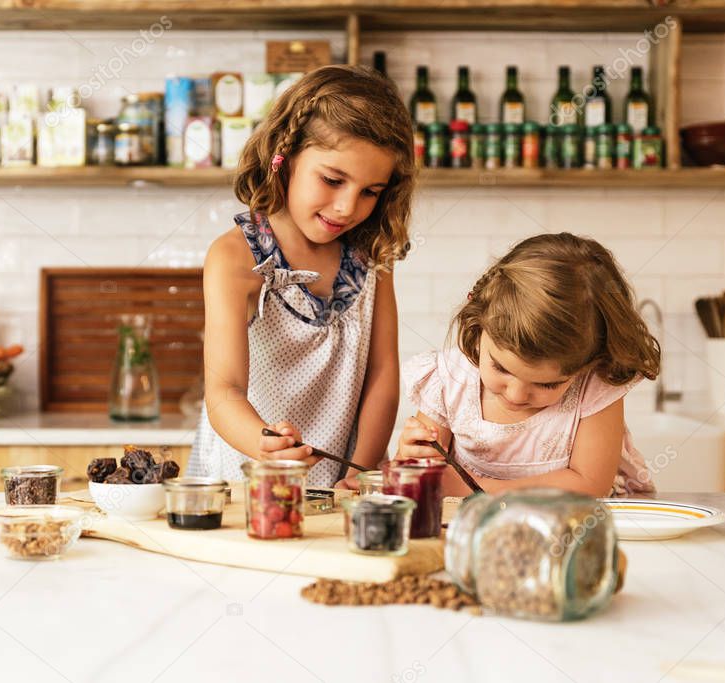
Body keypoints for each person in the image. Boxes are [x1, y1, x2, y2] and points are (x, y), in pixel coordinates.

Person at [188, 64, 416, 487]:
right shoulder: (234, 259)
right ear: (284, 157)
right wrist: (264, 444)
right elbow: (224, 393)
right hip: (252, 478)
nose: (348, 207)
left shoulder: (371, 257)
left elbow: (383, 377)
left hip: (347, 478)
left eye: (370, 191)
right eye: (332, 179)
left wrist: (358, 473)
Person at [397, 232, 661, 497]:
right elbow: (413, 479)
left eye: (546, 383)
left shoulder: (594, 387)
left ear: (588, 364)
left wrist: (471, 488)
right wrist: (411, 461)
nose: (516, 394)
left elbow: (590, 486)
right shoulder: (449, 380)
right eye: (501, 368)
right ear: (478, 328)